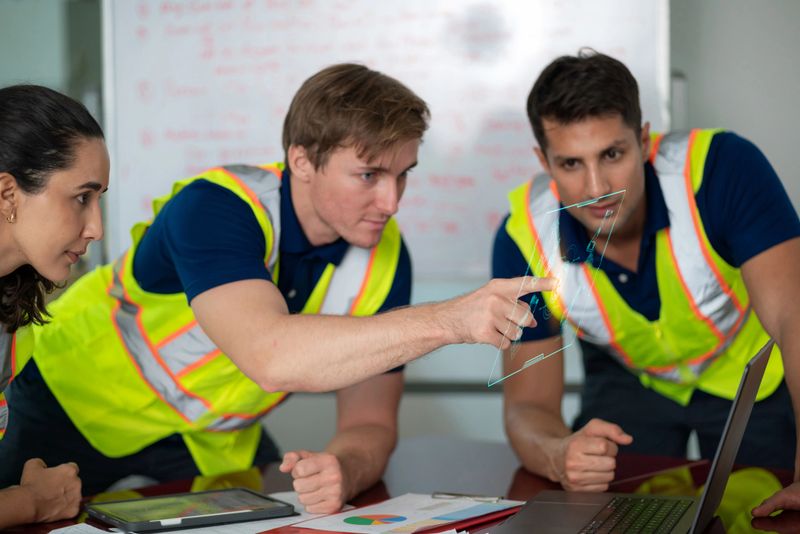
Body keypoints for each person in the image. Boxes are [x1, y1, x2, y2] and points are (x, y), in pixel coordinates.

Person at [0, 64, 554, 514]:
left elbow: (369, 423)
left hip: (211, 441)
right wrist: (452, 320)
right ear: (301, 162)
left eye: (404, 173)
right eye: (369, 175)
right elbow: (272, 354)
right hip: (69, 399)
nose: (392, 201)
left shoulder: (386, 258)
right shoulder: (217, 207)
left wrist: (344, 468)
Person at [492, 50, 800, 516]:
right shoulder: (521, 236)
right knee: (613, 517)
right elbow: (527, 406)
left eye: (612, 154)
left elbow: (794, 320)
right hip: (630, 380)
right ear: (544, 160)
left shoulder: (722, 169)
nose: (597, 189)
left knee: (768, 515)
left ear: (643, 140)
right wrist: (557, 453)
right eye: (571, 164)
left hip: (752, 377)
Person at [0, 85, 109, 528]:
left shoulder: (12, 302)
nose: (97, 228)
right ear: (8, 194)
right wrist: (31, 504)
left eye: (99, 199)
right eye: (82, 198)